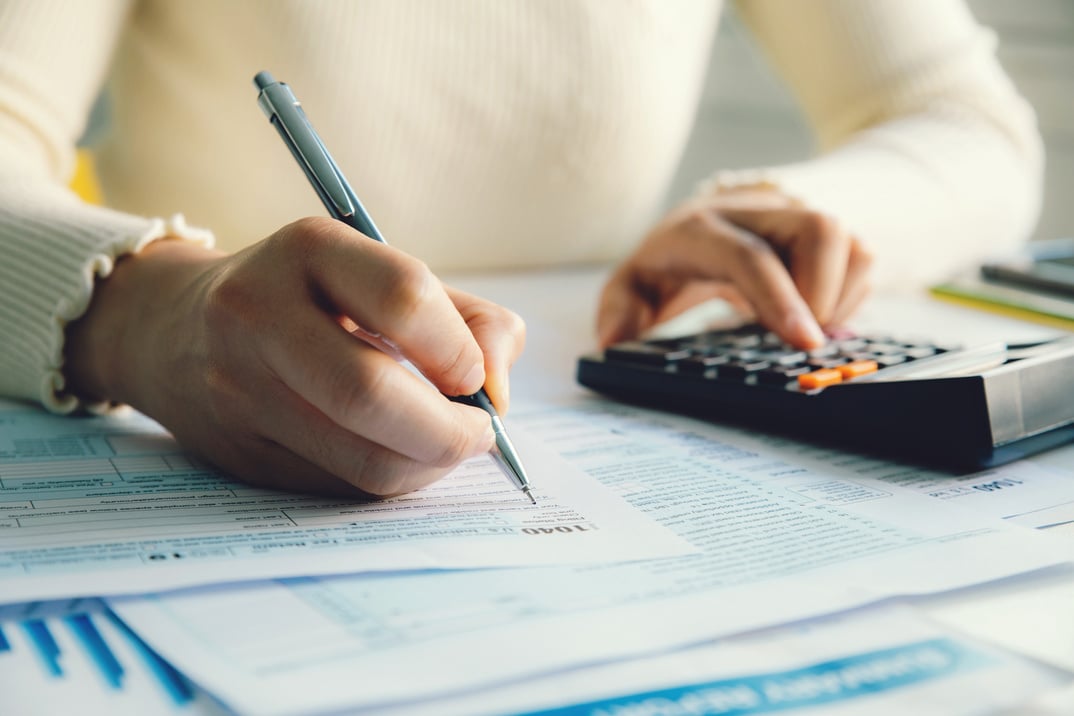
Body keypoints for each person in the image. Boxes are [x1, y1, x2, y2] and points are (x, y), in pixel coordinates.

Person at [0, 1, 1042, 497]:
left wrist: (790, 208)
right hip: (164, 430)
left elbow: (970, 125)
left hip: (595, 393)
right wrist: (148, 313)